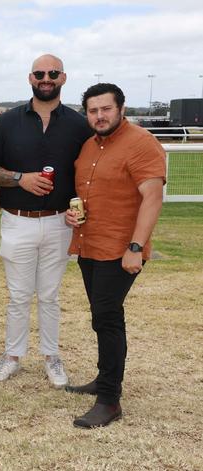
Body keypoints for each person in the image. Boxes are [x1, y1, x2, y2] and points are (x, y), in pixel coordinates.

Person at [0, 54, 92, 387]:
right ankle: (12, 357)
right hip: (17, 221)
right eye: (40, 73)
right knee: (18, 295)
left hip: (59, 222)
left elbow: (89, 173)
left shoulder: (78, 124)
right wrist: (19, 178)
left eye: (52, 73)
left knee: (50, 295)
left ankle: (51, 357)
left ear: (63, 78)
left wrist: (80, 210)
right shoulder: (8, 121)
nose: (46, 78)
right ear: (30, 78)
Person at [65, 83, 165, 428]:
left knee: (107, 318)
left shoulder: (141, 143)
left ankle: (109, 400)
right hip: (89, 244)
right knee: (101, 316)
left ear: (121, 108)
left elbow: (152, 198)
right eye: (93, 110)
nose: (99, 116)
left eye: (106, 109)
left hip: (122, 250)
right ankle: (103, 380)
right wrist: (71, 215)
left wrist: (136, 248)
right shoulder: (90, 146)